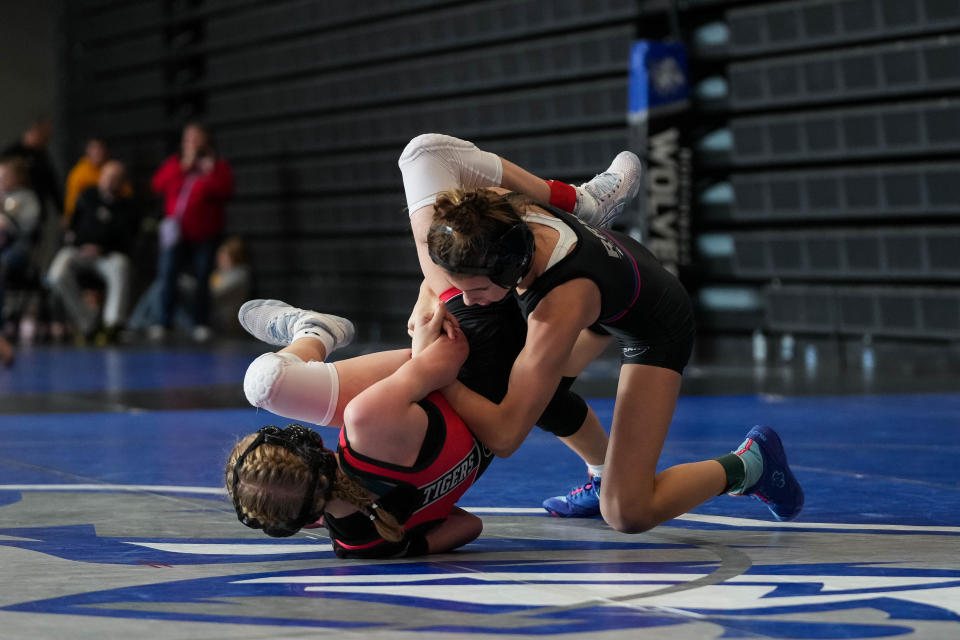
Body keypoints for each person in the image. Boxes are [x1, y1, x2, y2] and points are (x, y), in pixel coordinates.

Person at [407, 133, 804, 532]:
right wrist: (431, 296)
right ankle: (601, 474)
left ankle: (751, 464)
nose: (467, 301)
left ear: (509, 270)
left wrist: (437, 375)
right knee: (530, 388)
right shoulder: (495, 215)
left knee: (627, 511)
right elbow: (451, 259)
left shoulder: (557, 307)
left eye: (473, 290)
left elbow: (507, 436)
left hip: (655, 322)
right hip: (614, 272)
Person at [399, 133, 643, 517]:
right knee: (423, 154)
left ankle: (311, 332)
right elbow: (506, 437)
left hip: (526, 315)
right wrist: (433, 357)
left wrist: (428, 303)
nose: (466, 295)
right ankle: (582, 205)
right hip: (604, 297)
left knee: (545, 393)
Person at [227, 297, 490, 557]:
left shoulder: (360, 544)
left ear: (303, 520)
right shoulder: (366, 422)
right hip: (486, 355)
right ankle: (314, 331)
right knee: (266, 385)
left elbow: (470, 526)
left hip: (501, 425)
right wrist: (423, 319)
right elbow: (447, 356)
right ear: (306, 447)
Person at [150, 122, 234, 342]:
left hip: (204, 233)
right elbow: (158, 184)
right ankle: (163, 322)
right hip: (176, 233)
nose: (193, 142)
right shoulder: (175, 163)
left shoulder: (216, 165)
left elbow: (226, 190)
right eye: (189, 138)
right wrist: (182, 168)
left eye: (197, 138)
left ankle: (200, 322)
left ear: (206, 140)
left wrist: (209, 174)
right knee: (167, 274)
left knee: (203, 276)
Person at [46, 160, 137, 343]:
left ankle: (113, 324)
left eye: (115, 178)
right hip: (79, 251)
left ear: (122, 182)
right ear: (101, 177)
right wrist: (81, 244)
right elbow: (73, 226)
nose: (110, 181)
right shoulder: (87, 196)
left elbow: (128, 241)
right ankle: (88, 323)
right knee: (56, 273)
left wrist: (103, 248)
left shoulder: (128, 207)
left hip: (107, 256)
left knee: (121, 265)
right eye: (107, 176)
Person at [0, 157, 42, 365]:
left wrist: (6, 221)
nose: (1, 180)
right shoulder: (2, 196)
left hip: (18, 251)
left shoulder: (27, 198)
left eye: (5, 176)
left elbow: (26, 227)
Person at [62, 137, 109, 225]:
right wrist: (69, 216)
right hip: (87, 217)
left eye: (100, 148)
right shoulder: (78, 173)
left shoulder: (111, 169)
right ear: (87, 151)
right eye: (94, 148)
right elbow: (72, 200)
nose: (97, 151)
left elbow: (125, 193)